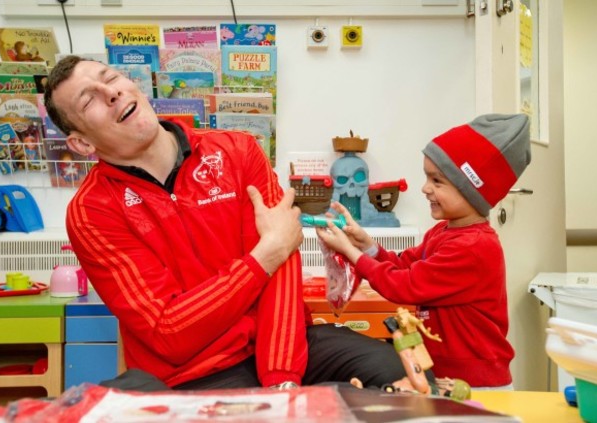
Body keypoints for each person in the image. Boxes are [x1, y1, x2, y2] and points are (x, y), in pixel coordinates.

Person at [43, 55, 423, 391]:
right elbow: (168, 332)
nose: (110, 93)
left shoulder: (237, 150)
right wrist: (265, 255)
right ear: (81, 144)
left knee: (398, 371)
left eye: (109, 79)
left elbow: (284, 267)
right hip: (194, 372)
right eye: (88, 99)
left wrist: (281, 378)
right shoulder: (92, 211)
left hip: (286, 346)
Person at [316, 114, 531, 389]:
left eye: (437, 181)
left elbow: (405, 285)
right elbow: (404, 264)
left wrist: (352, 253)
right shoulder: (443, 232)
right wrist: (365, 244)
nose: (425, 188)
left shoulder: (474, 248)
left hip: (476, 383)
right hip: (445, 375)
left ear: (473, 190)